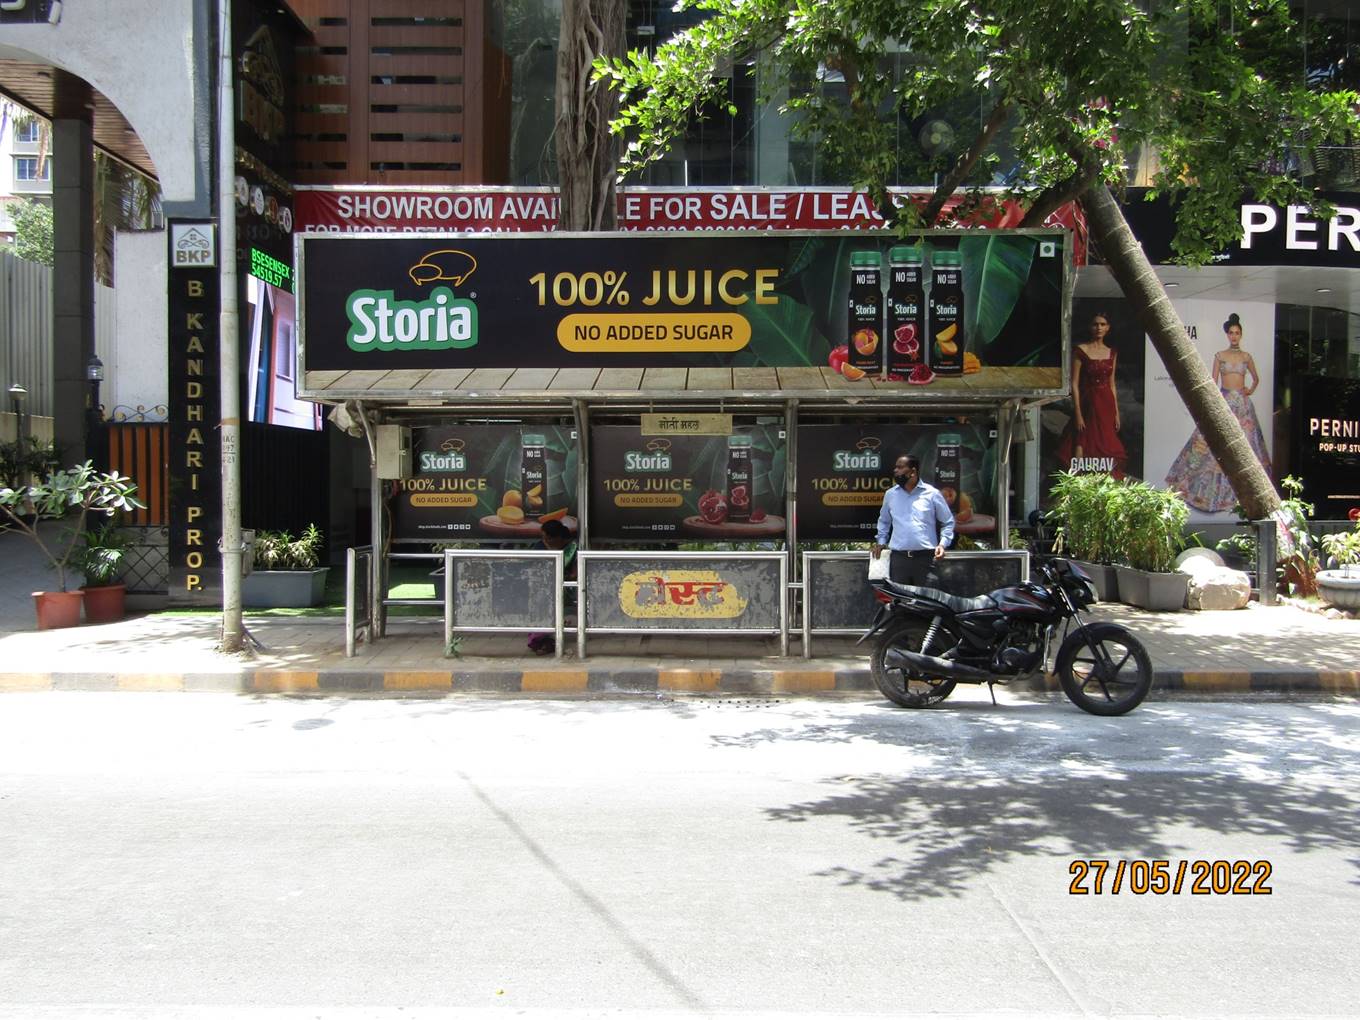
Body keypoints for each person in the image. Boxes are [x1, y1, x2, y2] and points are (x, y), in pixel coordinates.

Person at [1163, 312, 1272, 512]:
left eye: (1237, 333)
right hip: (1224, 401)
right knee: (1208, 443)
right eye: (1231, 333)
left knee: (1247, 445)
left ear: (1241, 334)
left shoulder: (1246, 357)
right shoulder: (1220, 356)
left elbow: (1256, 378)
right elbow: (1212, 381)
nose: (1234, 336)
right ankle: (1198, 488)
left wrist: (1250, 390)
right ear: (1227, 334)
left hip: (1242, 405)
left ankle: (1245, 493)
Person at [1055, 312, 1127, 477]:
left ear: (1108, 328)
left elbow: (1112, 384)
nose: (1099, 328)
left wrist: (1116, 413)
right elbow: (1074, 383)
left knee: (1107, 443)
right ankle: (1079, 479)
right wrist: (1078, 413)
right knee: (1083, 438)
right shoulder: (1081, 350)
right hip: (1089, 401)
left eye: (1102, 324)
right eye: (1095, 324)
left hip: (1106, 403)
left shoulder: (1112, 352)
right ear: (1090, 327)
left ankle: (1103, 480)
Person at [871, 453, 955, 587]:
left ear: (912, 472)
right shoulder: (891, 494)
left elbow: (948, 521)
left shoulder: (932, 494)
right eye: (895, 468)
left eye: (900, 467)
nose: (895, 471)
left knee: (926, 604)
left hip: (926, 559)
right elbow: (884, 521)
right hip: (899, 560)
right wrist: (881, 542)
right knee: (899, 604)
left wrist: (943, 544)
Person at [527, 518, 577, 655]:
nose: (546, 541)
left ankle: (546, 638)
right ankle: (543, 639)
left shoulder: (572, 549)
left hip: (566, 588)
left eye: (549, 538)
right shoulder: (539, 548)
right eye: (544, 538)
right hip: (542, 587)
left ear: (559, 538)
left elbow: (575, 574)